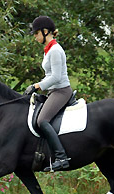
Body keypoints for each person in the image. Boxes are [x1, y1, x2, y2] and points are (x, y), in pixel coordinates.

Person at [25, 16, 73, 172]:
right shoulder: (49, 50)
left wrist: (37, 85)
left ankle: (62, 157)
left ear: (45, 32)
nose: (35, 37)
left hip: (61, 91)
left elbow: (56, 77)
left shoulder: (55, 50)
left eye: (36, 33)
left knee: (42, 120)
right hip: (53, 91)